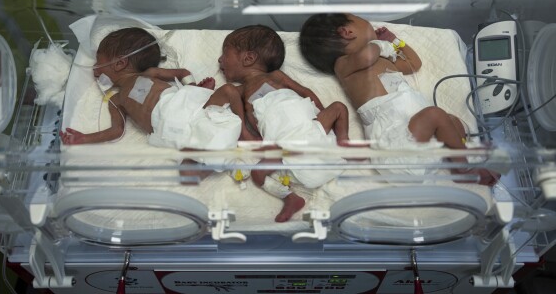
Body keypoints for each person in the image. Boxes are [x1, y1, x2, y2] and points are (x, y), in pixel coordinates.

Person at [299, 13, 498, 186]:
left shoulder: (382, 60)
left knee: (452, 120)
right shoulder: (343, 65)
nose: (370, 24)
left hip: (417, 139)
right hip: (394, 146)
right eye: (361, 19)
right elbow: (367, 57)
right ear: (347, 32)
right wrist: (381, 45)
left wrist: (396, 41)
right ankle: (463, 168)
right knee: (435, 115)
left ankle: (454, 159)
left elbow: (413, 64)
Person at [218, 24, 349, 222]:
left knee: (338, 107)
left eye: (224, 54)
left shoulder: (276, 76)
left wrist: (319, 113)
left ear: (248, 58)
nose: (219, 60)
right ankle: (290, 198)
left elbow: (305, 92)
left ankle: (344, 142)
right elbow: (241, 124)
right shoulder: (238, 92)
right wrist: (255, 142)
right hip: (284, 146)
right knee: (257, 174)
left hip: (309, 128)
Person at [60, 28, 257, 155]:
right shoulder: (116, 99)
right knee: (202, 148)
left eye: (98, 63)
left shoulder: (149, 74)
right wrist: (84, 138)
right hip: (169, 130)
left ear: (119, 63)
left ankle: (244, 131)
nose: (94, 69)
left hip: (186, 105)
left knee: (231, 90)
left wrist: (191, 87)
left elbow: (182, 72)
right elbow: (116, 131)